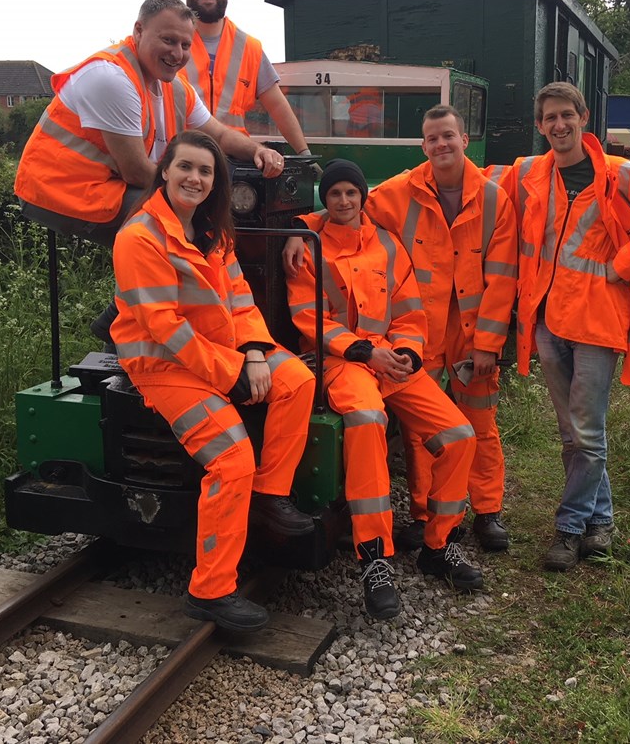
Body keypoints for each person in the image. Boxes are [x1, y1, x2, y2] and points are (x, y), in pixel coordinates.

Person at [283, 106, 518, 553]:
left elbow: (504, 275)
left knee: (479, 423)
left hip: (469, 333)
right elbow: (340, 209)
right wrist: (300, 225)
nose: (441, 145)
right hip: (418, 331)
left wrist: (489, 342)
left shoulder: (492, 199)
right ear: (423, 146)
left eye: (448, 136)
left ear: (464, 140)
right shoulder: (399, 191)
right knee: (420, 432)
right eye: (432, 139)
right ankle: (425, 517)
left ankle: (487, 512)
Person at [111, 131, 315, 631]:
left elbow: (240, 299)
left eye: (206, 171)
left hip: (222, 352)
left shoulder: (213, 232)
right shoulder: (140, 237)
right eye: (186, 167)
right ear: (165, 171)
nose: (195, 179)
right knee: (231, 457)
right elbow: (166, 330)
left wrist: (254, 352)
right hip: (163, 366)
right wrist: (234, 375)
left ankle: (271, 495)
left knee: (299, 382)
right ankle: (211, 590)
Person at [495, 83, 630, 572]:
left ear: (584, 118)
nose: (559, 125)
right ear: (540, 126)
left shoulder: (621, 174)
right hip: (547, 322)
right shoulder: (529, 173)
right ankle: (600, 520)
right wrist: (351, 203)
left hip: (597, 323)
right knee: (574, 433)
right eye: (550, 118)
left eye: (567, 115)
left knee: (585, 433)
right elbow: (465, 176)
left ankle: (568, 529)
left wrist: (624, 265)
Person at [15, 0, 284, 342]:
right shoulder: (112, 78)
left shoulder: (174, 86)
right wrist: (206, 191)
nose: (177, 53)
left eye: (185, 44)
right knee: (170, 225)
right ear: (139, 31)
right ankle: (129, 328)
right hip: (58, 190)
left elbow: (217, 132)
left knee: (186, 218)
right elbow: (138, 173)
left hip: (104, 186)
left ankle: (144, 322)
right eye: (168, 40)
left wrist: (258, 150)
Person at [285, 159, 483, 620]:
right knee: (368, 421)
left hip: (392, 361)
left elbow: (411, 313)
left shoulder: (389, 246)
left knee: (459, 435)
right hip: (343, 362)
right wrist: (361, 352)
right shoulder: (309, 248)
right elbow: (307, 318)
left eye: (351, 193)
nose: (343, 201)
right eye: (334, 194)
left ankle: (440, 545)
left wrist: (410, 354)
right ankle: (375, 560)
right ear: (324, 200)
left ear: (362, 197)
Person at [180, 0, 310, 154]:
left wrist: (304, 153)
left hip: (233, 161)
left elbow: (277, 106)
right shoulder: (170, 42)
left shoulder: (249, 48)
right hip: (178, 158)